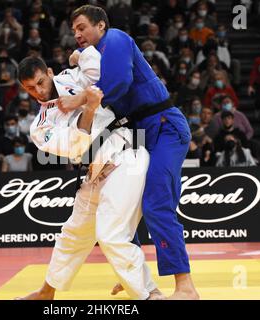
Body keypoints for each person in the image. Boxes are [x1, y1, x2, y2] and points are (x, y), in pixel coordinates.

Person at [59, 5, 198, 300]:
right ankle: (132, 273)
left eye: (82, 27)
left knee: (157, 204)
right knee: (121, 205)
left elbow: (119, 84)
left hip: (164, 128)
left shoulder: (116, 39)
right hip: (135, 135)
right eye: (73, 31)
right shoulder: (92, 62)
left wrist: (80, 99)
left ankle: (186, 287)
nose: (78, 34)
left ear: (100, 25)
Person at [17, 48, 161, 300]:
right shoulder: (40, 126)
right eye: (30, 88)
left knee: (111, 235)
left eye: (40, 82)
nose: (38, 91)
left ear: (49, 73)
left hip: (125, 156)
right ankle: (46, 292)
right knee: (73, 234)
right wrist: (90, 107)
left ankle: (149, 295)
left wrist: (80, 55)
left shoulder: (71, 77)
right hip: (93, 173)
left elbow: (100, 68)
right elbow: (76, 146)